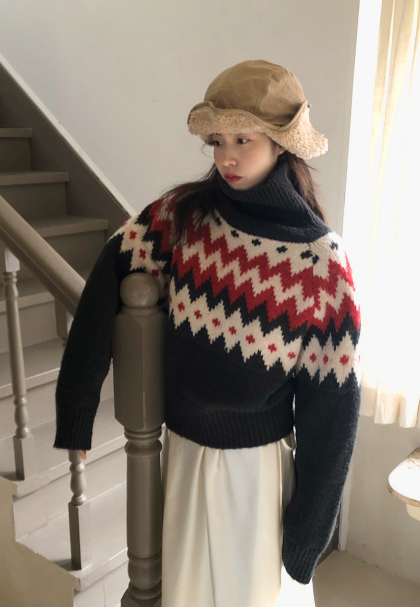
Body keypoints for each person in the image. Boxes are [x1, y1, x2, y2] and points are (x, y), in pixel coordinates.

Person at [53, 59, 362, 607]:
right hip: (182, 453)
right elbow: (108, 274)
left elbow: (333, 412)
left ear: (281, 144)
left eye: (243, 139)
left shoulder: (321, 263)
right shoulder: (183, 216)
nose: (226, 157)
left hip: (256, 473)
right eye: (217, 141)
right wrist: (77, 403)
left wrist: (308, 534)